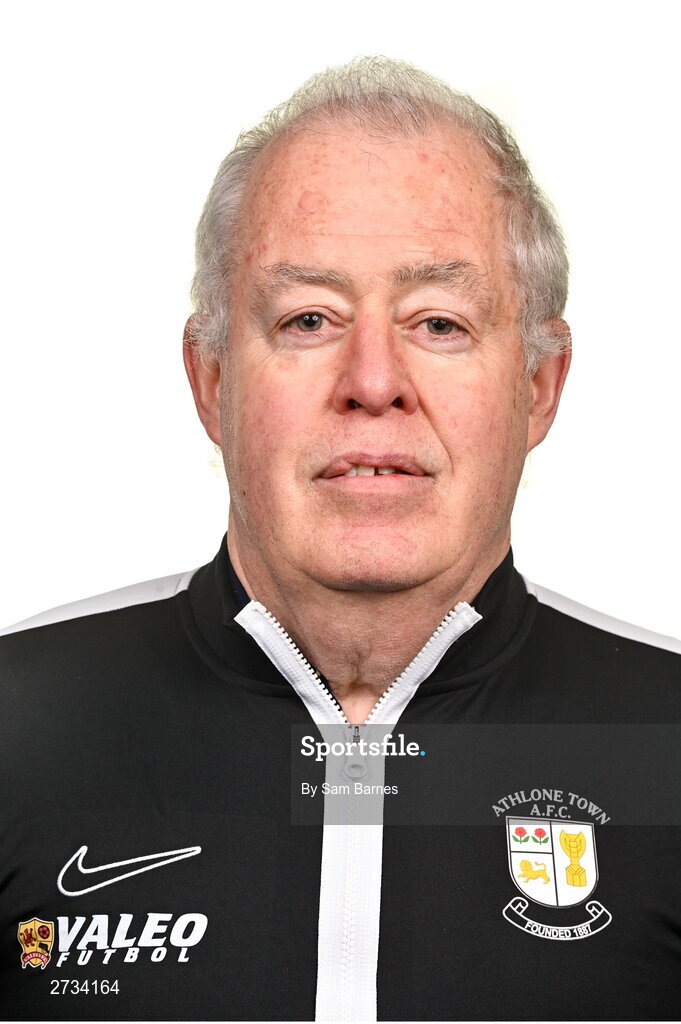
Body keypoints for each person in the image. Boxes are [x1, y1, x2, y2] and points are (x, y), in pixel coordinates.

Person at [1, 56, 680, 1022]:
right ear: (212, 380)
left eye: (439, 322)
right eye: (309, 317)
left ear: (538, 385)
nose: (372, 379)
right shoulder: (16, 729)